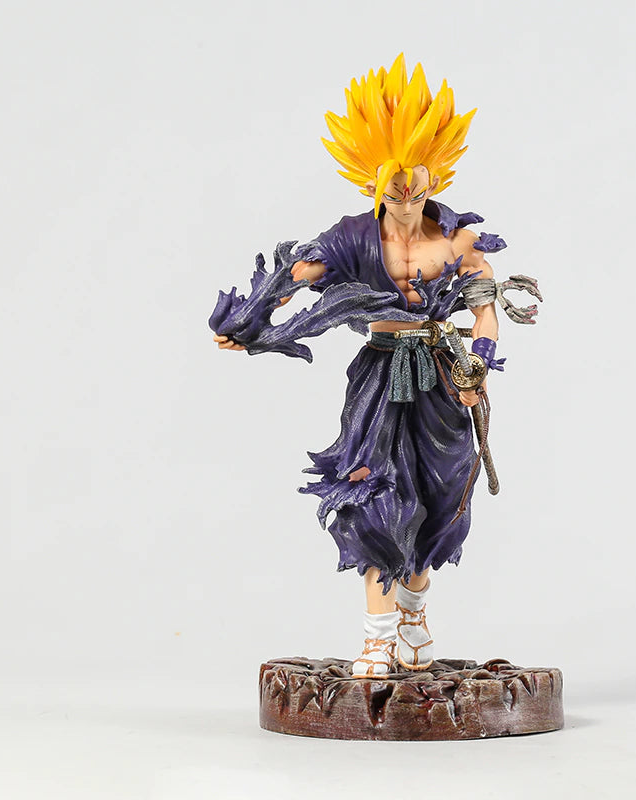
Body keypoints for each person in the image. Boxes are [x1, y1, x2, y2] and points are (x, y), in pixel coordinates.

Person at [212, 55, 521, 678]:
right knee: (372, 489)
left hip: (440, 374)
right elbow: (297, 277)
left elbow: (486, 310)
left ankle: (414, 615)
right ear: (373, 179)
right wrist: (252, 320)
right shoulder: (353, 237)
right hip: (380, 377)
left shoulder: (456, 240)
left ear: (435, 173)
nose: (405, 198)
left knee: (441, 496)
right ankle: (378, 636)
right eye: (394, 186)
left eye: (417, 185)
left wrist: (478, 366)